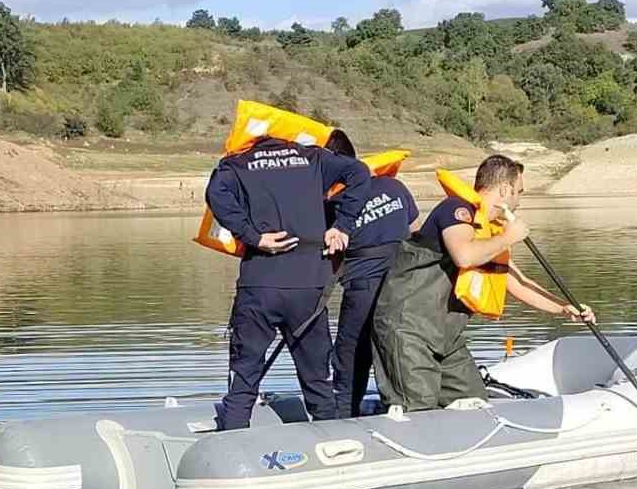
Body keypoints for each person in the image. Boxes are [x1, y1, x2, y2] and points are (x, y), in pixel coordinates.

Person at [371, 154, 593, 412]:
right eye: (519, 192)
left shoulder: (490, 232)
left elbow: (519, 283)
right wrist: (508, 237)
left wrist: (565, 308)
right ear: (506, 189)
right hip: (408, 330)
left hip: (445, 337)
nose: (519, 200)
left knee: (475, 400)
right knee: (418, 408)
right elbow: (464, 255)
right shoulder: (456, 210)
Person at [204, 136, 371, 430]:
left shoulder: (237, 163)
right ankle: (333, 443)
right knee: (317, 380)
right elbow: (359, 172)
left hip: (259, 285)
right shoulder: (314, 158)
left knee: (244, 377)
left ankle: (231, 441)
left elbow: (215, 193)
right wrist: (342, 225)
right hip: (307, 289)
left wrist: (251, 236)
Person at [323, 130, 419, 417]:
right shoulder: (394, 186)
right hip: (405, 282)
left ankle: (343, 415)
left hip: (364, 286)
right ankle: (412, 406)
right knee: (398, 347)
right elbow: (414, 231)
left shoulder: (335, 204)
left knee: (350, 353)